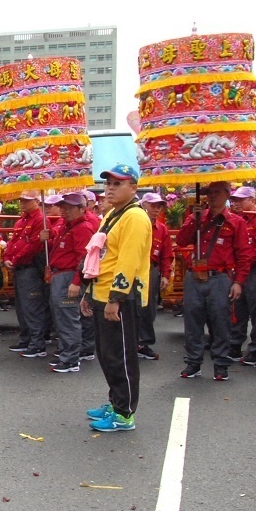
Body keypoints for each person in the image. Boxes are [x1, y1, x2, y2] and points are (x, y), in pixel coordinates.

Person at [83, 164, 152, 432]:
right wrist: (90, 291)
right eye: (108, 183)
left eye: (117, 184)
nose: (109, 188)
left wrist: (116, 298)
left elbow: (128, 261)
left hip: (120, 297)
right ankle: (115, 401)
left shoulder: (134, 217)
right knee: (106, 354)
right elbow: (99, 255)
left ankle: (124, 414)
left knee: (121, 357)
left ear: (133, 188)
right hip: (102, 292)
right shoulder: (113, 214)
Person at [175, 180, 251, 380]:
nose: (212, 196)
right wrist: (194, 220)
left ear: (227, 195)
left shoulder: (236, 222)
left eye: (217, 192)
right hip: (194, 276)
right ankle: (193, 362)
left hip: (220, 278)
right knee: (192, 321)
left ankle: (220, 363)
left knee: (221, 322)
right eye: (209, 193)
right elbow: (182, 241)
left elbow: (244, 255)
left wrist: (238, 282)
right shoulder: (196, 217)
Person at [44, 191, 94, 373]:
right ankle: (68, 354)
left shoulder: (82, 228)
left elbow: (84, 258)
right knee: (62, 318)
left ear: (82, 208)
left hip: (68, 276)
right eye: (63, 207)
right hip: (61, 275)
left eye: (70, 208)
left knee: (68, 318)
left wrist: (75, 282)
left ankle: (71, 359)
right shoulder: (67, 226)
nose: (64, 211)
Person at [4, 191, 50, 358]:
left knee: (32, 307)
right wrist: (7, 257)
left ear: (37, 201)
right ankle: (26, 339)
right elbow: (13, 242)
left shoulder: (40, 220)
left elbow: (34, 246)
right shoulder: (21, 221)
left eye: (27, 200)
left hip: (30, 268)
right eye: (21, 200)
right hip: (20, 268)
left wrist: (13, 259)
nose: (22, 203)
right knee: (22, 307)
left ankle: (37, 343)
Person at [228, 186, 256, 366]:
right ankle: (236, 345)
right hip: (242, 270)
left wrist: (243, 262)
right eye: (234, 200)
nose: (236, 203)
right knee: (238, 306)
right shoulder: (237, 221)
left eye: (241, 200)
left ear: (253, 201)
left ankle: (255, 350)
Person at [136, 193, 173, 361]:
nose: (156, 209)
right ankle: (130, 341)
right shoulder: (134, 223)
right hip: (132, 269)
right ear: (143, 205)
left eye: (159, 206)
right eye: (153, 205)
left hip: (151, 270)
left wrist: (165, 275)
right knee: (128, 305)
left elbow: (166, 254)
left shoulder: (162, 228)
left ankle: (143, 342)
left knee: (148, 306)